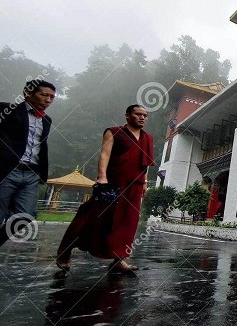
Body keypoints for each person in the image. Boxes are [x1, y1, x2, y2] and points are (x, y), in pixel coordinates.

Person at [55, 105, 154, 273]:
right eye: (138, 114)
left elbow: (145, 162)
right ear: (127, 115)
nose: (142, 117)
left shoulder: (147, 138)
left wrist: (144, 181)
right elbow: (105, 154)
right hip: (112, 184)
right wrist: (102, 177)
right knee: (93, 216)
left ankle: (119, 259)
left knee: (128, 222)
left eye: (145, 115)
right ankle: (65, 250)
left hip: (134, 186)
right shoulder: (113, 132)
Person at [0, 80, 56, 247]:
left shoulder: (47, 120)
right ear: (28, 94)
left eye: (52, 97)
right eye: (44, 95)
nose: (48, 100)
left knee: (26, 215)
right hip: (8, 170)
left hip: (32, 173)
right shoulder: (7, 109)